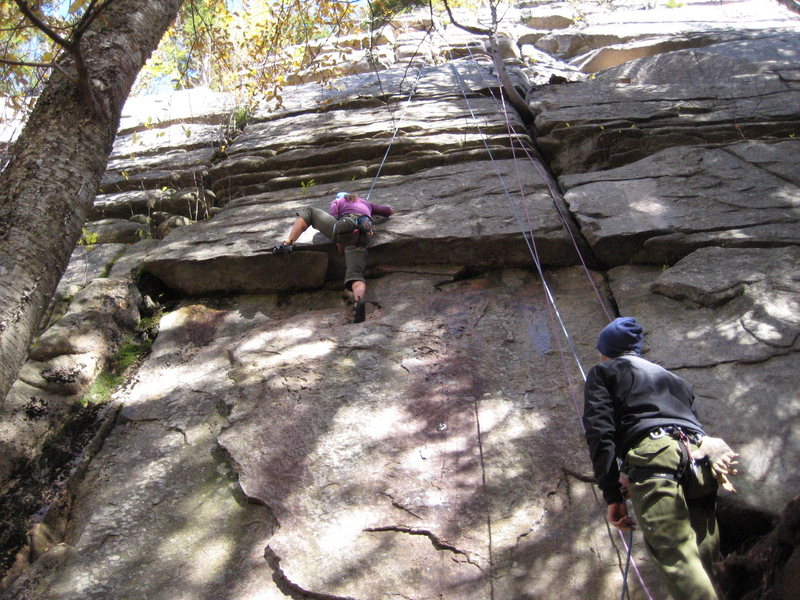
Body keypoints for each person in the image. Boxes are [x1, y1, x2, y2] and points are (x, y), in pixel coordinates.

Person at [582, 317, 738, 600]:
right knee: (705, 560)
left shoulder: (604, 371)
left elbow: (600, 433)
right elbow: (693, 425)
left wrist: (612, 495)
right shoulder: (677, 381)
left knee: (676, 554)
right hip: (700, 460)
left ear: (606, 350)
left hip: (655, 457)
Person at [272, 192, 395, 323]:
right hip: (363, 234)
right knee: (356, 274)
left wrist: (338, 243)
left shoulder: (338, 201)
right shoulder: (367, 203)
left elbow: (335, 218)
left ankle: (288, 243)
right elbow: (388, 211)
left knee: (308, 211)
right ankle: (359, 303)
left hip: (346, 224)